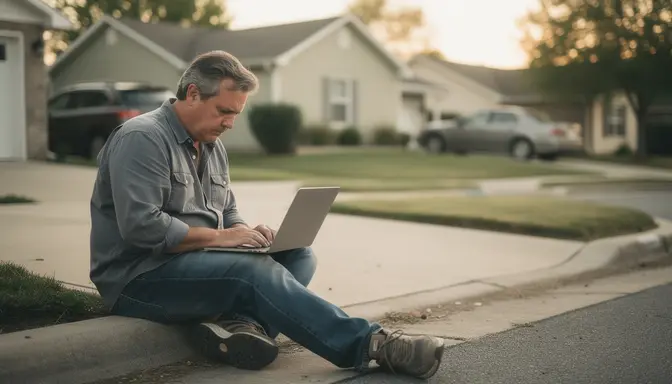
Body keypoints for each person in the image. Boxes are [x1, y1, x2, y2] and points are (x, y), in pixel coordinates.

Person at [89, 50, 445, 379]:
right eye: (224, 111)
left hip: (199, 263)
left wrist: (246, 234)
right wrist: (225, 240)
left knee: (298, 255)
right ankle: (372, 345)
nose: (230, 123)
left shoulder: (212, 145)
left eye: (236, 114)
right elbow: (142, 227)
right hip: (139, 278)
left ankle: (241, 328)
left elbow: (226, 209)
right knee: (252, 272)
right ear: (193, 94)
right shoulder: (143, 138)